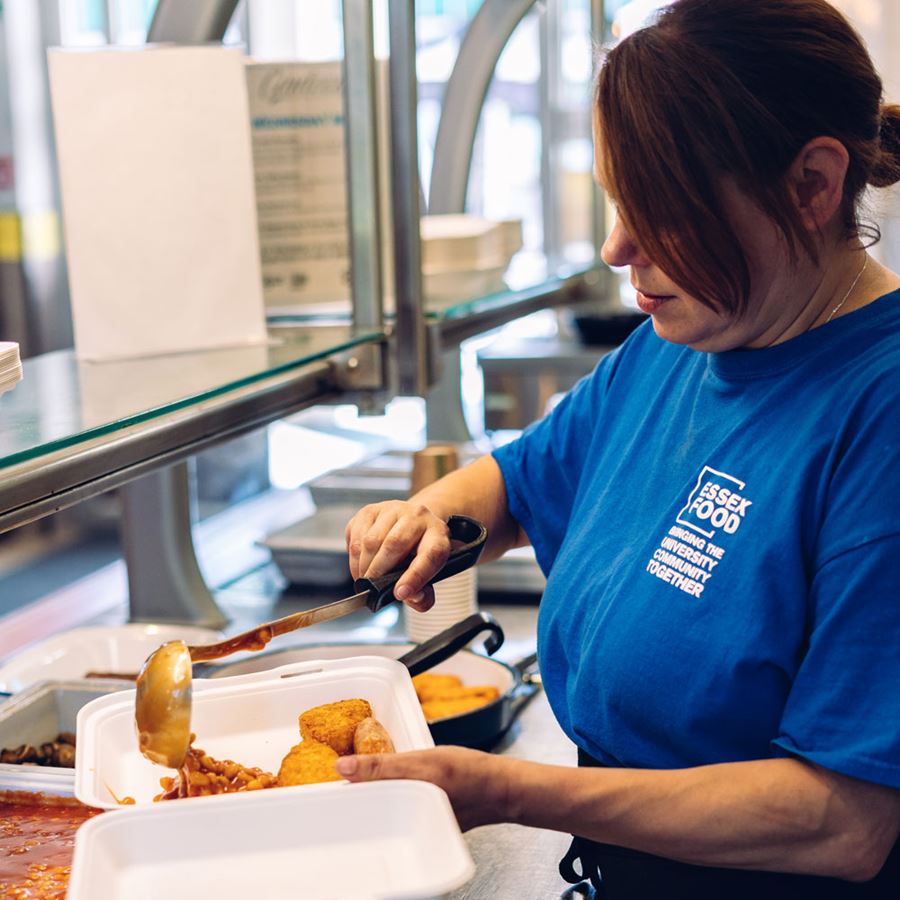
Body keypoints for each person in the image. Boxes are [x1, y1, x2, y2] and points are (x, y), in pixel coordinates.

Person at [339, 1, 900, 896]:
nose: (617, 246)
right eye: (614, 198)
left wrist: (511, 789)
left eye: (661, 210)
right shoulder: (681, 344)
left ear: (812, 184)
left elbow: (843, 819)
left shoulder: (879, 415)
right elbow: (521, 479)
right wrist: (433, 517)